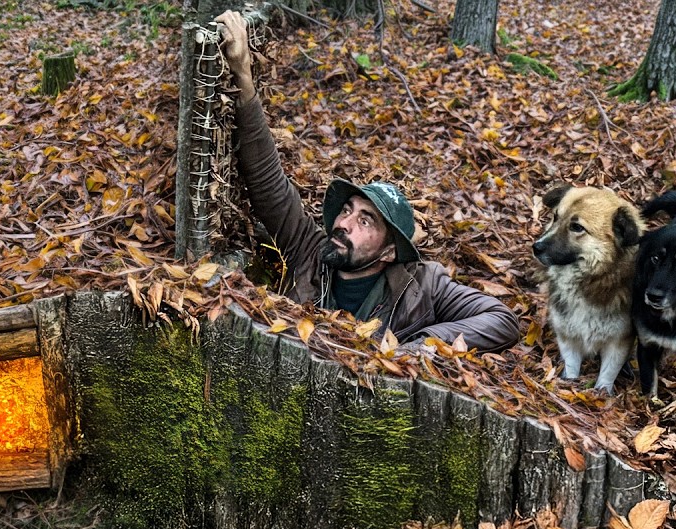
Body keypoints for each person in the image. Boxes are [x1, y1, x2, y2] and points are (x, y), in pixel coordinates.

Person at [215, 11, 521, 354]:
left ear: (389, 251)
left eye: (365, 221)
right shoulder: (307, 249)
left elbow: (501, 319)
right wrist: (243, 75)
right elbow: (267, 181)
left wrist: (421, 346)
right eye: (347, 210)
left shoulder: (421, 285)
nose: (344, 223)